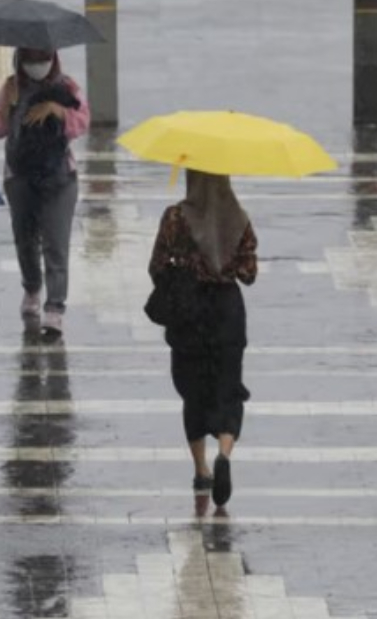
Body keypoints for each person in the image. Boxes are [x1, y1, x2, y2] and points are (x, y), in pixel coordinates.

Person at [148, 171, 258, 506]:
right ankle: (225, 452)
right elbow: (248, 274)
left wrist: (183, 267)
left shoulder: (175, 217)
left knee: (193, 390)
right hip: (226, 311)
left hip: (188, 312)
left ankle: (201, 470)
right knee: (228, 386)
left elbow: (156, 266)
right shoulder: (238, 218)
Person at [0, 47, 90, 337]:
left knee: (56, 243)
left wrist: (59, 111)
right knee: (25, 238)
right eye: (31, 61)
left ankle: (55, 307)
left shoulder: (66, 87)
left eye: (43, 60)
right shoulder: (11, 87)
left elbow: (82, 121)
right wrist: (7, 104)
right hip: (20, 176)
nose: (38, 66)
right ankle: (32, 288)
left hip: (59, 177)